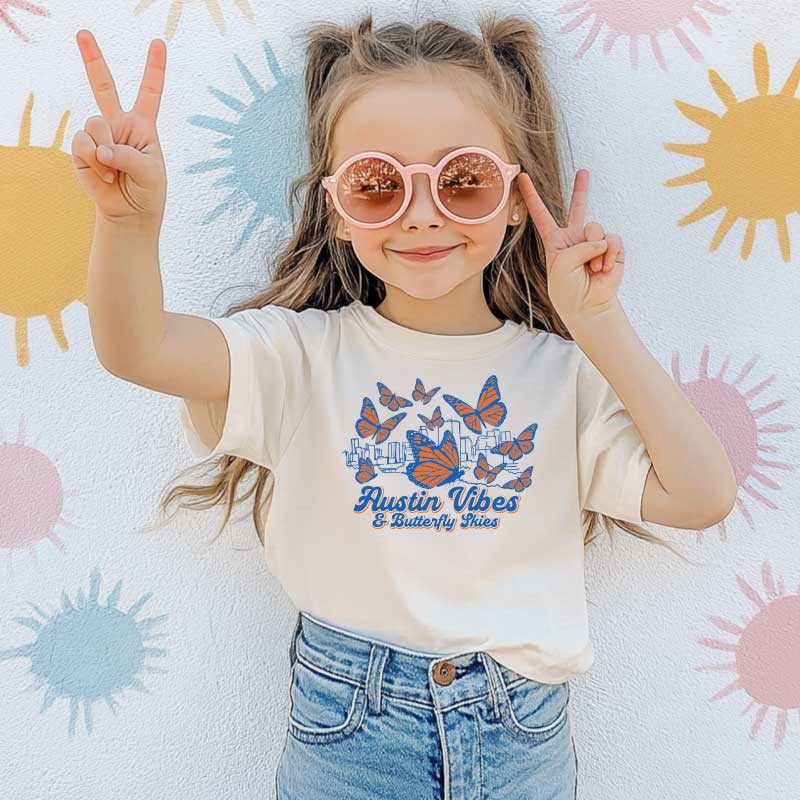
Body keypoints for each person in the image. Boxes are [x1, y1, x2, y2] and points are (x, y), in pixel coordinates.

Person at [72, 10, 737, 799]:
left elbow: (702, 496)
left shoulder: (566, 375)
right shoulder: (299, 357)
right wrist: (127, 225)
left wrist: (601, 326)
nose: (422, 213)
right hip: (347, 734)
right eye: (379, 184)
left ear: (519, 199)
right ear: (335, 207)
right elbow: (136, 348)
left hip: (520, 741)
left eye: (463, 180)